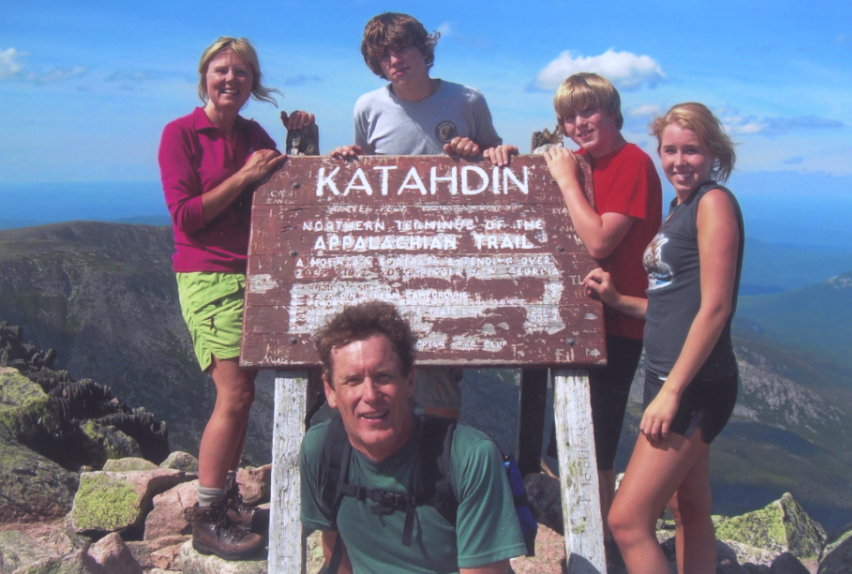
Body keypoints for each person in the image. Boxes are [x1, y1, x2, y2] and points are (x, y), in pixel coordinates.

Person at [158, 36, 314, 560]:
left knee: (245, 390)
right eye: (221, 70)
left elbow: (291, 184)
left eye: (241, 72)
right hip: (207, 275)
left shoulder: (252, 132)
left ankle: (224, 498)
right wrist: (244, 175)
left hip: (256, 272)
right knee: (235, 393)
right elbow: (186, 215)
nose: (231, 79)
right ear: (204, 76)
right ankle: (208, 517)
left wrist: (302, 137)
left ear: (253, 83)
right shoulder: (179, 134)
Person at [330, 12, 515, 420]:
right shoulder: (368, 107)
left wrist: (480, 154)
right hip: (387, 254)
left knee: (439, 364)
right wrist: (349, 158)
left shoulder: (467, 100)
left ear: (424, 50)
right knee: (381, 359)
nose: (395, 59)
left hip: (453, 256)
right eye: (384, 55)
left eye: (402, 47)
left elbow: (497, 167)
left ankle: (438, 468)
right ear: (376, 64)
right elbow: (368, 174)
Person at [583, 102, 743, 573]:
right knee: (688, 508)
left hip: (692, 384)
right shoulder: (682, 206)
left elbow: (715, 307)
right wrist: (618, 300)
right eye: (669, 150)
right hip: (672, 377)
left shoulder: (713, 203)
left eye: (691, 150)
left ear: (713, 152)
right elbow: (673, 306)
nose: (678, 161)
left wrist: (671, 392)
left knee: (628, 520)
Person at [300, 301, 527, 574]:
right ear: (330, 391)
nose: (370, 395)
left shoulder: (469, 458)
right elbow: (336, 554)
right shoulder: (322, 450)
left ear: (409, 381)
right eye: (352, 380)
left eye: (383, 376)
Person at [542, 72, 662, 561]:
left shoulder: (632, 163)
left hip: (619, 323)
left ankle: (600, 547)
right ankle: (586, 537)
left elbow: (598, 241)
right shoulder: (585, 161)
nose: (578, 123)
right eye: (568, 117)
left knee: (597, 439)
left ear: (613, 111)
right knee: (571, 436)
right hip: (582, 322)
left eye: (588, 111)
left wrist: (567, 180)